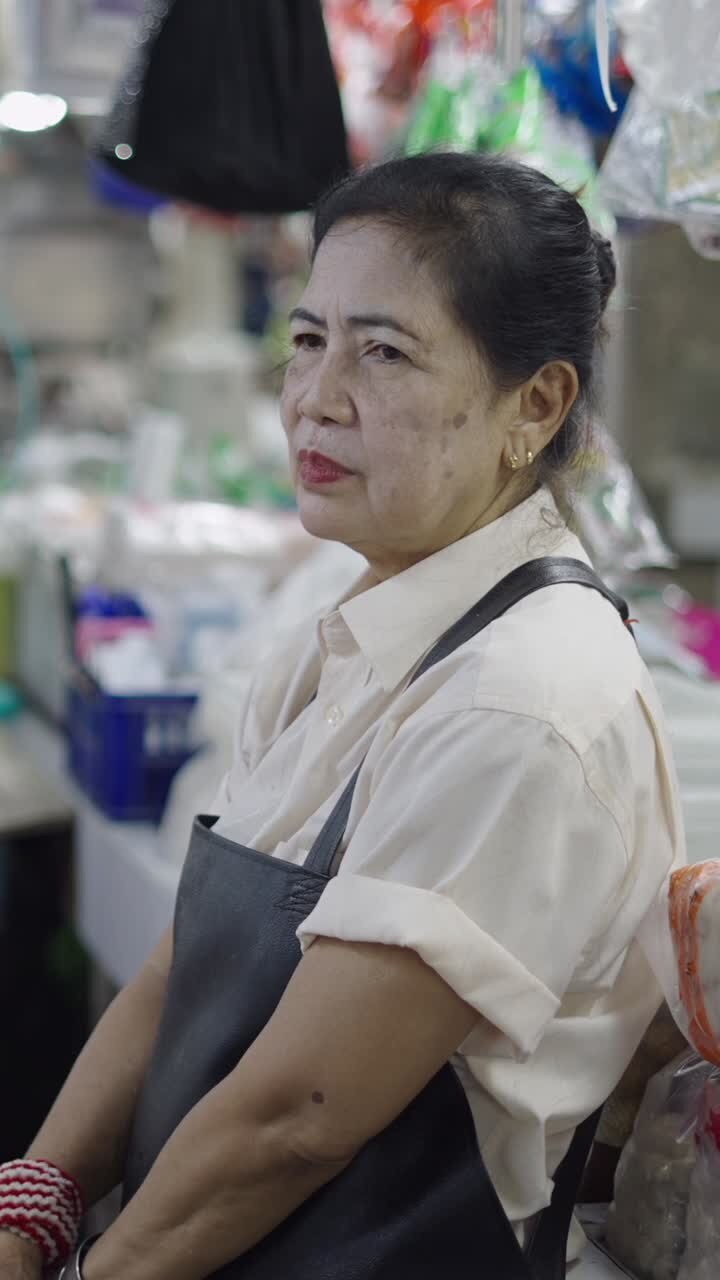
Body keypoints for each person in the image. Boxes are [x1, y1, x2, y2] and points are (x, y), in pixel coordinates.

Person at [0, 152, 684, 1280]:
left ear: (538, 402)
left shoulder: (521, 700)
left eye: (385, 351)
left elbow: (298, 1115)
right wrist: (39, 1192)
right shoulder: (349, 628)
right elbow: (182, 969)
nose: (316, 395)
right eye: (308, 338)